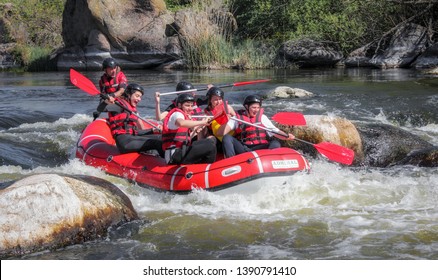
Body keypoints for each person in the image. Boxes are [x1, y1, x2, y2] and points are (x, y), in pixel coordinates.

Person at [217, 95, 295, 158]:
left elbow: (275, 132)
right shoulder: (237, 118)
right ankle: (231, 162)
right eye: (254, 107)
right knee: (227, 137)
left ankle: (270, 162)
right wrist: (227, 120)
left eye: (258, 107)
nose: (256, 110)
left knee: (275, 143)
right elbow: (221, 133)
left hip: (261, 147)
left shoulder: (262, 117)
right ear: (247, 107)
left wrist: (286, 136)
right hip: (244, 148)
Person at [106, 83, 163, 156]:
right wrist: (108, 101)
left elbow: (135, 132)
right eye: (137, 96)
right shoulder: (118, 105)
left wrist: (152, 130)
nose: (139, 99)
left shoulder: (131, 109)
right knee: (156, 143)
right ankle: (168, 164)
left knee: (161, 138)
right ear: (129, 95)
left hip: (132, 138)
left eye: (140, 97)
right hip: (124, 142)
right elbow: (103, 108)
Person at [161, 93, 217, 165]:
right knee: (209, 145)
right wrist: (203, 122)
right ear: (179, 105)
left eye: (191, 106)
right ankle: (206, 169)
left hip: (182, 150)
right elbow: (181, 123)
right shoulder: (177, 114)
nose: (190, 108)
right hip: (174, 155)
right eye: (187, 105)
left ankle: (203, 166)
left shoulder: (185, 116)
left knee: (211, 140)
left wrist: (198, 127)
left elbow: (189, 133)